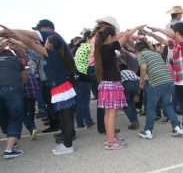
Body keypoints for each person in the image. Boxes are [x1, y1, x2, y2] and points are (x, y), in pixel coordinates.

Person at [1, 24, 78, 155]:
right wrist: (13, 39)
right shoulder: (55, 53)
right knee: (65, 118)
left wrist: (11, 31)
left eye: (46, 41)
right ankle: (66, 143)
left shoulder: (51, 53)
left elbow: (30, 43)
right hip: (61, 89)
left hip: (61, 89)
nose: (44, 43)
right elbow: (29, 46)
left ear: (51, 45)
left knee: (67, 118)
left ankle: (68, 145)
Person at [94, 25, 143, 150]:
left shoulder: (101, 48)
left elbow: (122, 36)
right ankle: (111, 141)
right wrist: (136, 27)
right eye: (114, 36)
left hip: (106, 84)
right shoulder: (109, 48)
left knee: (108, 113)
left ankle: (109, 138)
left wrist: (124, 33)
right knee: (112, 114)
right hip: (112, 84)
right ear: (110, 37)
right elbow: (126, 37)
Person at [0, 40, 27, 159]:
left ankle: (12, 141)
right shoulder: (16, 60)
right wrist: (20, 86)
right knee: (15, 118)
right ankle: (9, 150)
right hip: (12, 89)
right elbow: (25, 78)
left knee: (3, 116)